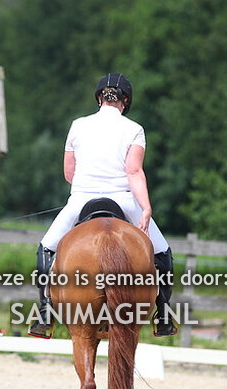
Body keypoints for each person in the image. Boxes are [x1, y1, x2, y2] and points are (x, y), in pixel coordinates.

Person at [28, 73, 177, 339]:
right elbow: (133, 171)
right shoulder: (134, 129)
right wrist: (146, 208)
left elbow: (68, 173)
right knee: (162, 252)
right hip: (123, 199)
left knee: (47, 247)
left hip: (82, 199)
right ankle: (163, 314)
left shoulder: (77, 125)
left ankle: (45, 311)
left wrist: (88, 184)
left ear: (99, 98)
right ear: (125, 100)